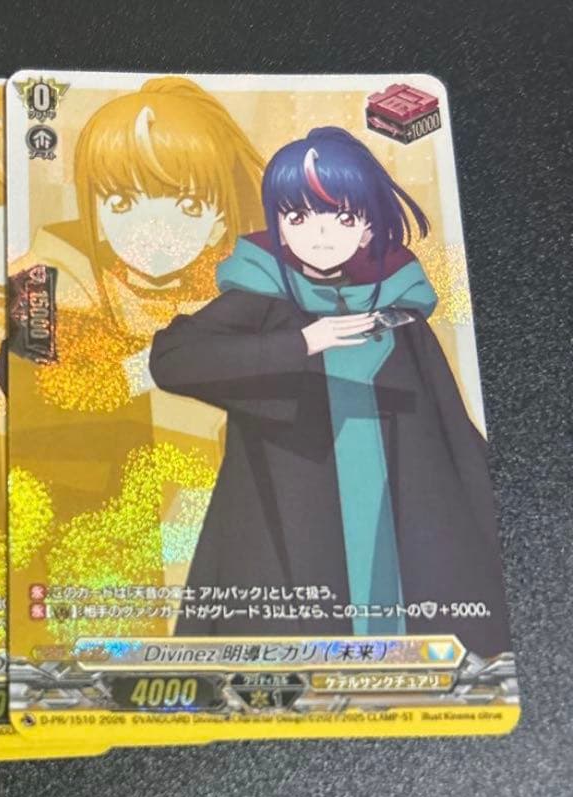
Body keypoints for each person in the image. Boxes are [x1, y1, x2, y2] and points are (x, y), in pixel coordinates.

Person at [150, 126, 510, 655]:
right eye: (298, 218)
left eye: (341, 218)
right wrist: (302, 341)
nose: (319, 235)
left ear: (367, 228)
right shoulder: (261, 296)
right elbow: (173, 359)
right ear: (278, 225)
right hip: (294, 510)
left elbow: (448, 425)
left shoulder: (400, 310)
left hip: (398, 507)